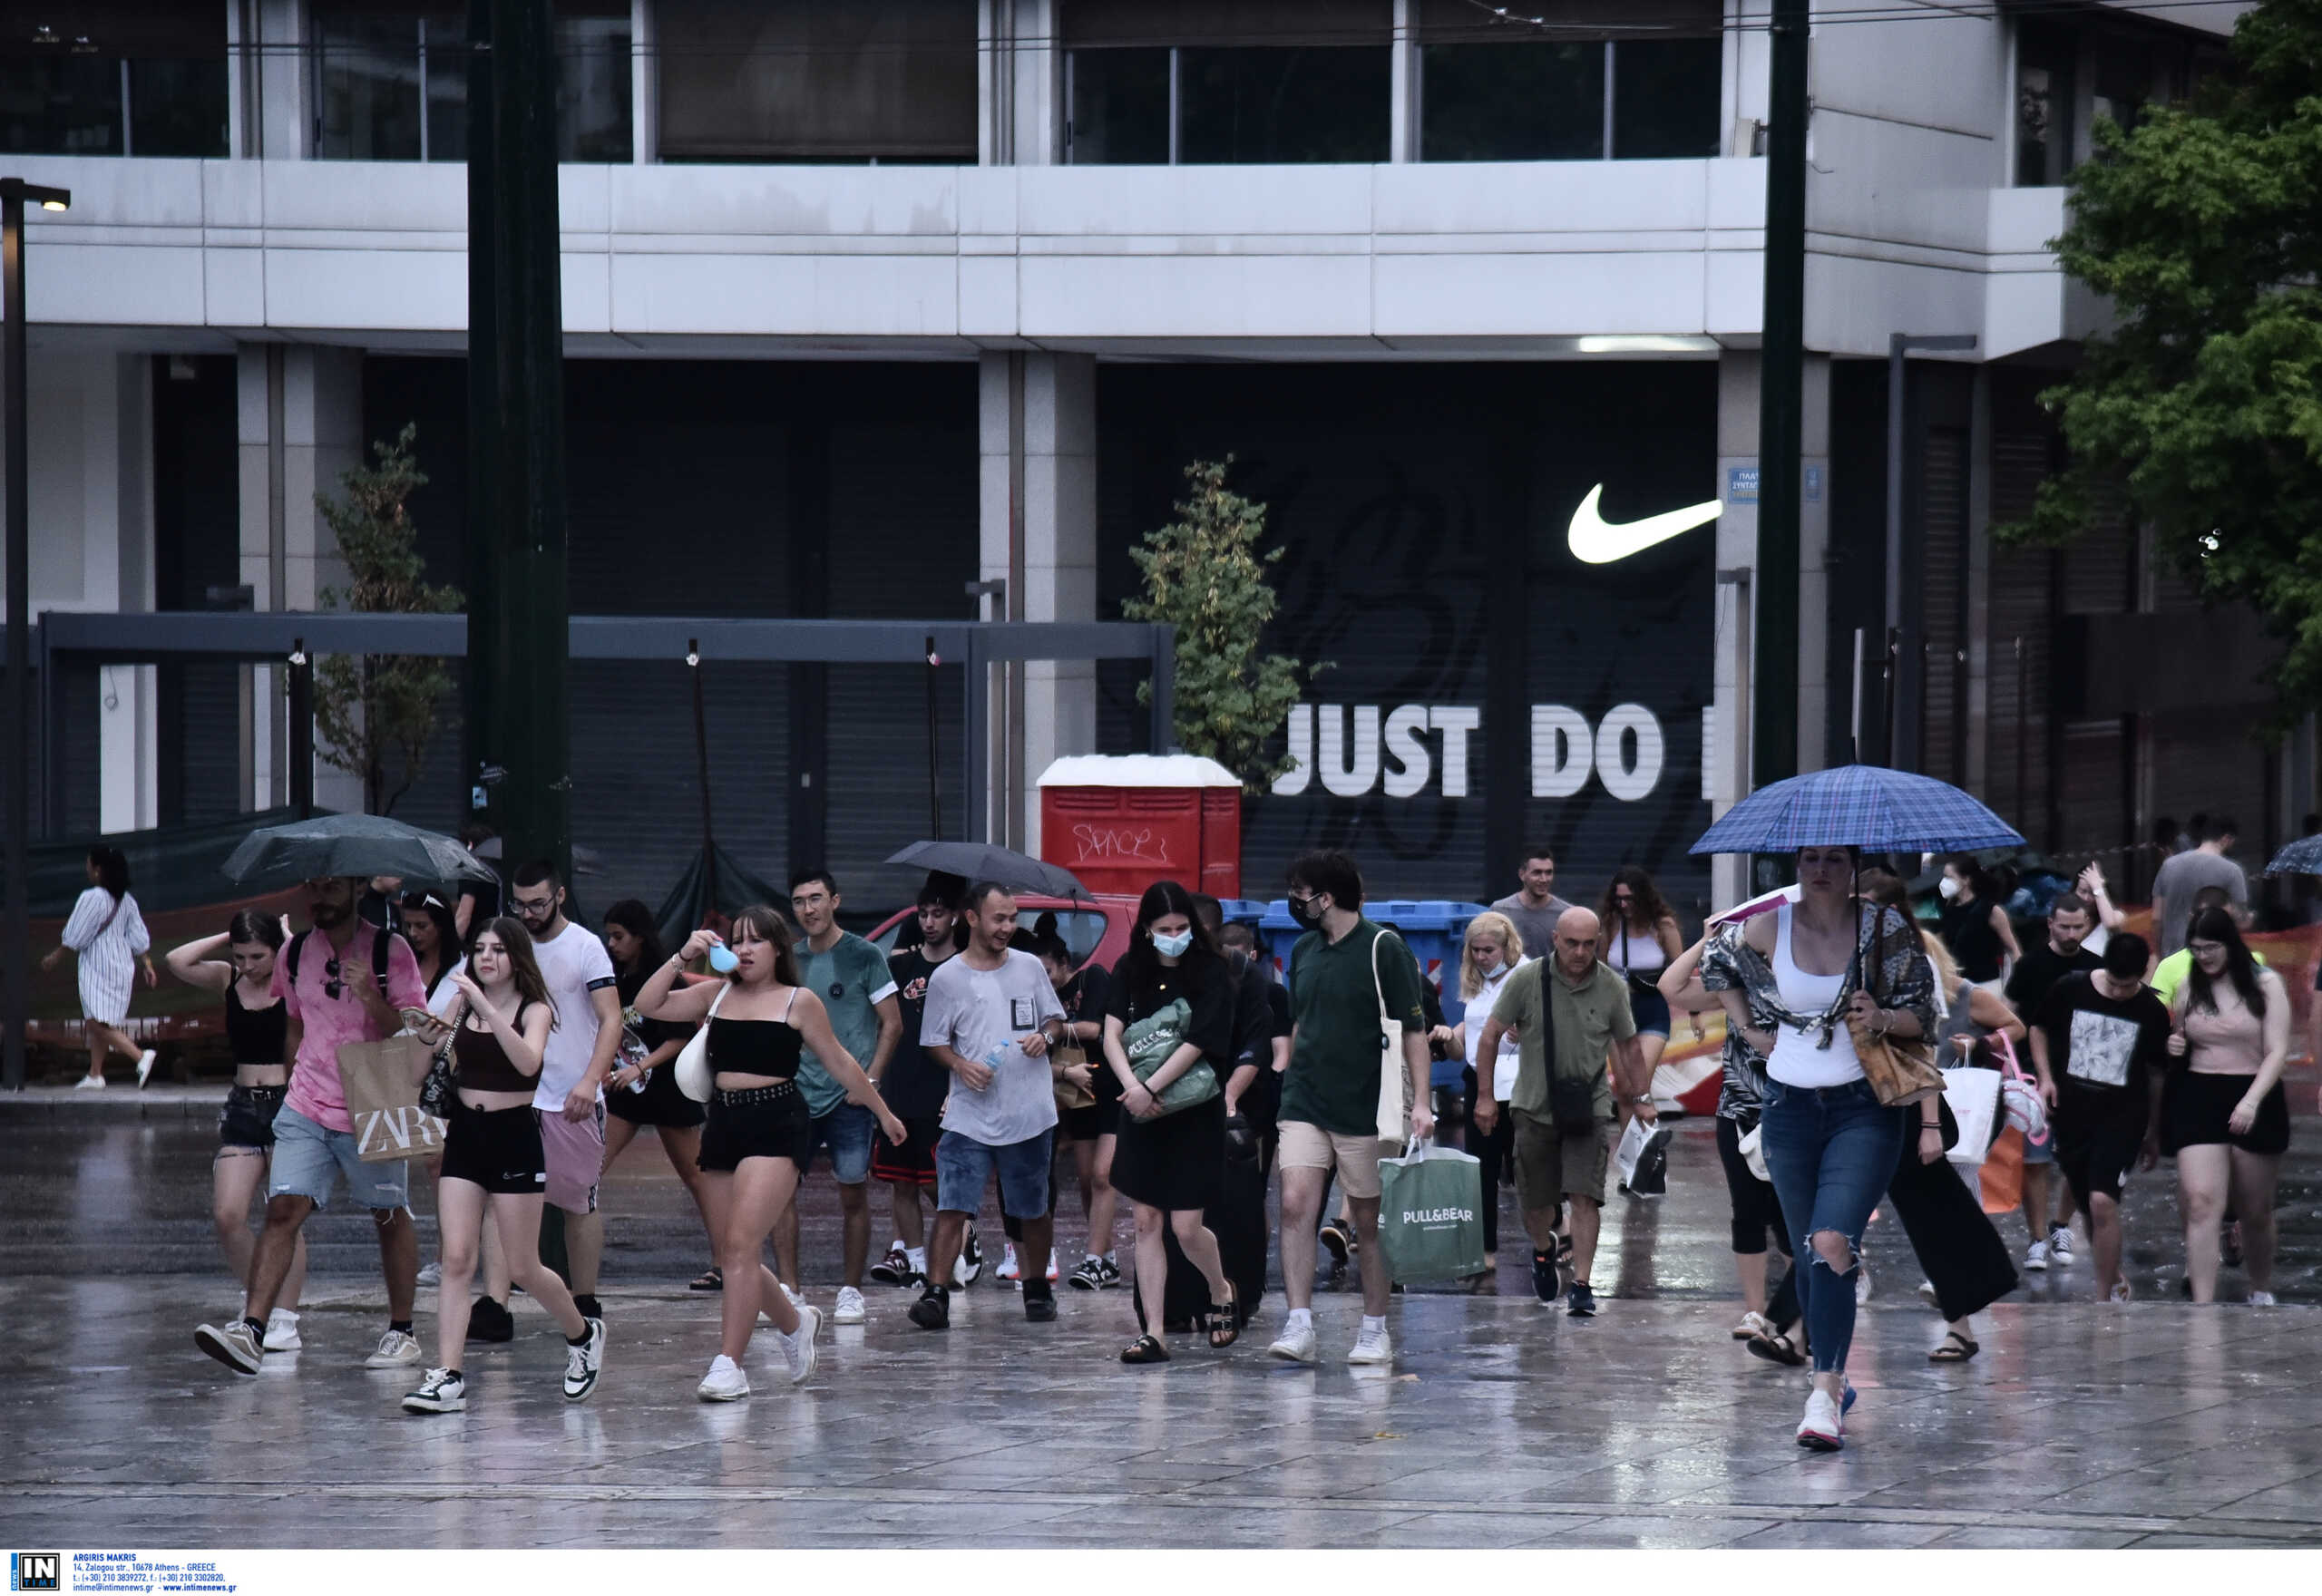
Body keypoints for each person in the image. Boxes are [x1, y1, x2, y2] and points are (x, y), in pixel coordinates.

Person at [1707, 846, 1932, 1452]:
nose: (1821, 870)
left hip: (1864, 1108)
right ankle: (1826, 1373)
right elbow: (1714, 963)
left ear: (1853, 867)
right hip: (1787, 1110)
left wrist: (1882, 1015)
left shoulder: (1884, 929)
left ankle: (1825, 1390)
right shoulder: (1769, 925)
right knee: (1809, 1253)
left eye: (1834, 859)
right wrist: (1752, 1028)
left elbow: (1924, 1016)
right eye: (1810, 858)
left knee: (1832, 1241)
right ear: (1795, 866)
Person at [636, 907, 903, 1400]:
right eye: (737, 941)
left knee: (741, 1246)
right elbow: (648, 1004)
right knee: (731, 1251)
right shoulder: (717, 993)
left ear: (778, 948)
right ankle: (794, 1322)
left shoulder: (798, 1001)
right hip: (723, 1121)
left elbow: (841, 1061)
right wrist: (682, 955)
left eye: (756, 941)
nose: (744, 949)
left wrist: (883, 1113)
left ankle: (728, 1364)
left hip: (778, 1120)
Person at [193, 874, 430, 1376]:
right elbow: (295, 1021)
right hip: (305, 1103)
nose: (318, 899)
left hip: (373, 1101)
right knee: (282, 1210)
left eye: (329, 888)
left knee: (389, 1216)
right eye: (312, 889)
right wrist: (292, 1079)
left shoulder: (391, 952)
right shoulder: (294, 952)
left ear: (354, 888)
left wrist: (371, 996)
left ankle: (402, 1331)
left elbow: (413, 1033)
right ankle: (252, 1330)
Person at [401, 919, 605, 1414]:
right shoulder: (462, 1002)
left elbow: (528, 1063)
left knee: (523, 1266)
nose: (486, 957)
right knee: (456, 1259)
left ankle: (582, 1334)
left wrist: (487, 1008)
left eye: (497, 950)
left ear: (517, 957)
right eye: (479, 949)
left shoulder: (536, 1009)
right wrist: (428, 1036)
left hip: (515, 1137)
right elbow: (414, 1074)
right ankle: (448, 1374)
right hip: (466, 1137)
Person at [1264, 851, 1432, 1367]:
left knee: (1366, 1218)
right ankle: (1298, 1323)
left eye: (1300, 892)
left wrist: (1421, 1103)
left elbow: (1414, 1031)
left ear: (1326, 897)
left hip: (1366, 1104)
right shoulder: (1303, 950)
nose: (1295, 902)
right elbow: (1302, 1021)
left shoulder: (1385, 948)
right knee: (1295, 1203)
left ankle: (1375, 1327)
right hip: (1305, 1098)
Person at [1862, 868, 2024, 1364]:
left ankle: (1963, 1321)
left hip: (1908, 1105)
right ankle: (1794, 1327)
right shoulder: (1854, 956)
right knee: (1834, 1219)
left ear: (1888, 912)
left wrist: (1930, 1123)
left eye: (1866, 907)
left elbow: (1923, 1046)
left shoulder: (1916, 960)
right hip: (1862, 1104)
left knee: (1937, 1219)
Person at [907, 883, 1068, 1331]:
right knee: (953, 1204)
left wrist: (1046, 1037)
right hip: (969, 1113)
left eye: (1012, 918)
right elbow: (933, 1042)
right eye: (999, 918)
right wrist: (961, 1065)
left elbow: (1055, 1019)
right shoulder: (947, 978)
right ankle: (936, 1293)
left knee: (1031, 1207)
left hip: (1029, 1110)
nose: (1008, 927)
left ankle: (1036, 1286)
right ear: (972, 918)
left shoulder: (1030, 966)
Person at [479, 861, 623, 1334]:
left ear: (559, 896)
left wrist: (591, 1079)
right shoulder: (504, 947)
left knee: (577, 1201)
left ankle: (585, 1299)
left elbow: (612, 1018)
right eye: (520, 904)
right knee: (500, 1199)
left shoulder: (585, 947)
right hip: (511, 1094)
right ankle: (494, 1304)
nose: (529, 912)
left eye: (538, 902)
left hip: (569, 1095)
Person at [1476, 907, 1641, 1318]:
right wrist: (1484, 1096)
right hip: (1533, 1108)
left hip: (1588, 1109)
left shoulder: (1611, 987)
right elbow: (1490, 1035)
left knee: (1586, 1198)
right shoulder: (1528, 980)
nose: (1581, 951)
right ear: (1555, 939)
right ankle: (1544, 1249)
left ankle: (1582, 1285)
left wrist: (1639, 1097)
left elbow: (1629, 1045)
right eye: (1572, 943)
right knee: (1537, 1206)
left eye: (1589, 943)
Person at [1103, 881, 1239, 1362]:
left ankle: (1221, 1289)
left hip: (1191, 1112)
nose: (1174, 935)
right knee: (1145, 1221)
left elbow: (1200, 1041)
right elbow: (1111, 1033)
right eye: (1165, 929)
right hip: (1141, 1109)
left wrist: (1150, 1087)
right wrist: (1132, 1090)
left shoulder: (1211, 972)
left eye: (1182, 927)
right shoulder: (1129, 969)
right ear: (1147, 929)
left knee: (1185, 1227)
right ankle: (1154, 1331)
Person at [164, 910, 307, 1352]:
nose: (248, 965)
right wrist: (227, 935)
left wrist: (288, 943)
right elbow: (177, 960)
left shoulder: (293, 978)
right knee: (228, 1215)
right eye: (240, 955)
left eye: (258, 956)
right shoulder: (229, 979)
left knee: (284, 1217)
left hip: (291, 1104)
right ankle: (257, 1308)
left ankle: (282, 1319)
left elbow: (314, 970)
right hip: (244, 1107)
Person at [1663, 928, 1801, 1355]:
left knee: (1788, 1215)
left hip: (1793, 1110)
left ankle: (1800, 1309)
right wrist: (1708, 940)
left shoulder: (1804, 984)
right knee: (1747, 1209)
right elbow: (1672, 987)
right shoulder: (1734, 985)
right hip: (1739, 1110)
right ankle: (1756, 1310)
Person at [779, 870, 902, 1327]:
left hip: (850, 1098)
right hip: (796, 1094)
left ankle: (851, 1291)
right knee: (779, 1194)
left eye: (816, 899)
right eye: (798, 902)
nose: (808, 909)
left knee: (853, 1192)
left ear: (835, 900)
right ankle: (789, 1290)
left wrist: (868, 1082)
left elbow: (892, 1024)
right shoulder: (787, 959)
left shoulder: (865, 954)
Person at [2028, 931, 2170, 1304]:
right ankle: (2113, 1275)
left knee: (2103, 1200)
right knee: (2088, 1201)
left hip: (2124, 1115)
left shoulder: (2151, 1010)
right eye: (2114, 983)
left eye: (2129, 986)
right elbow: (2038, 1028)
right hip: (2073, 1113)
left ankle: (2104, 1297)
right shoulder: (2070, 988)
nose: (2121, 992)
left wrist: (2154, 1131)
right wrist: (2045, 1078)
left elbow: (2156, 1073)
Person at [2162, 907, 2291, 1305]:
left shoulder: (2265, 984)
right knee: (2201, 1200)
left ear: (2230, 943)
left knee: (2254, 1208)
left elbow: (2278, 1050)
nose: (2204, 956)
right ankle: (2202, 1302)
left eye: (2211, 948)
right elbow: (2179, 1036)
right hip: (2200, 1092)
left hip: (2254, 1089)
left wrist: (2251, 1101)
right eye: (2197, 949)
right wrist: (2175, 1044)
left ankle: (2260, 1286)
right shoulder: (2188, 985)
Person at [599, 899, 718, 1292]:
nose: (612, 944)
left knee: (696, 1177)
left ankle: (724, 1263)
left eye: (619, 936)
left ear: (640, 938)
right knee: (589, 1168)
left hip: (668, 1086)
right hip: (625, 1089)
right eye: (609, 936)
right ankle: (560, 1259)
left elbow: (682, 1037)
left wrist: (641, 1065)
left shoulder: (664, 977)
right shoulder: (612, 979)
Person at [871, 881, 982, 1290]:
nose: (930, 922)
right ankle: (916, 1262)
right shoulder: (900, 967)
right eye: (923, 914)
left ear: (955, 916)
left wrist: (958, 1089)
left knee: (939, 1183)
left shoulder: (966, 969)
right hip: (901, 1082)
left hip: (944, 1086)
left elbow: (971, 1035)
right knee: (902, 1181)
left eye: (938, 913)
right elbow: (885, 1023)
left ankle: (965, 1236)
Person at [2001, 890, 2103, 1273]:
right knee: (2035, 1159)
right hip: (2032, 1071)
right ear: (2050, 924)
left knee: (2077, 1158)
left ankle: (2060, 1225)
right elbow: (2010, 1015)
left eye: (2078, 926)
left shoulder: (2097, 966)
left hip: (2083, 1074)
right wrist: (2004, 1059)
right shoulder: (2030, 965)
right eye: (2064, 926)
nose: (2071, 933)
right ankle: (2037, 1236)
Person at [1445, 911, 1525, 1278]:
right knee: (1482, 1172)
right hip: (1482, 1082)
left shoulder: (1528, 974)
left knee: (1530, 1170)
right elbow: (1476, 1025)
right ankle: (1486, 1250)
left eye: (1488, 950)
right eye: (1475, 950)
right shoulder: (1476, 980)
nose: (1481, 957)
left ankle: (1558, 1228)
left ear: (1506, 947)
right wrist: (1452, 1035)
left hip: (1521, 1086)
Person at [1041, 936, 1121, 1291]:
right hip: (1076, 1092)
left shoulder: (1094, 979)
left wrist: (1056, 1030)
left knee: (1104, 1176)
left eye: (1048, 972)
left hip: (1108, 1086)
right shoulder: (1042, 992)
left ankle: (1093, 1259)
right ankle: (1107, 1256)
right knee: (1088, 1179)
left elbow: (1097, 1027)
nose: (1046, 980)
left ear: (1063, 962)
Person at [42, 845, 157, 1088]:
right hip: (122, 964)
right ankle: (95, 1074)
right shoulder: (127, 901)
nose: (87, 868)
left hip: (98, 965)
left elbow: (75, 936)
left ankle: (141, 1056)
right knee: (103, 1021)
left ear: (98, 870)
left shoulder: (91, 897)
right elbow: (138, 937)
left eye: (89, 864)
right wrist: (147, 965)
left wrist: (55, 956)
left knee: (96, 1021)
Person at [1600, 866, 1685, 1134]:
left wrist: (1693, 1011)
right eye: (1619, 899)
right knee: (1624, 1089)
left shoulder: (1662, 926)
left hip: (1651, 1008)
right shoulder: (1611, 923)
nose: (1624, 905)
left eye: (1630, 899)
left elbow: (1681, 967)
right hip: (1618, 1010)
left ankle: (1643, 1155)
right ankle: (1630, 1158)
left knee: (1640, 1087)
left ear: (1644, 898)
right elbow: (1600, 967)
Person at [1215, 920, 1292, 1173]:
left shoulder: (1273, 994)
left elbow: (1282, 1051)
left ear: (1253, 955)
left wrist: (1272, 1089)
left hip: (1257, 1098)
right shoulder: (1210, 992)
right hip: (1216, 1090)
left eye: (1240, 957)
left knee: (1253, 1182)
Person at [2151, 815, 2248, 959]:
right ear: (2226, 839)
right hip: (2210, 958)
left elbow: (2157, 918)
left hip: (2171, 955)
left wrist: (2160, 955)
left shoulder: (2169, 865)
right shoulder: (2232, 871)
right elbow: (2240, 920)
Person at [1937, 856, 2020, 994]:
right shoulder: (1950, 908)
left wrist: (2016, 985)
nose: (1944, 882)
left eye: (1949, 877)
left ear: (1966, 880)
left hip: (1986, 986)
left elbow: (2013, 949)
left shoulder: (1990, 910)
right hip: (1955, 985)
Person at [1489, 845, 1572, 971]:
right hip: (1510, 985)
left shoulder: (1567, 914)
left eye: (1549, 873)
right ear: (1522, 875)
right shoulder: (1500, 910)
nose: (1544, 879)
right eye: (1537, 872)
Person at [397, 890, 461, 1002]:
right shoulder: (402, 966)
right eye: (408, 926)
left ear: (441, 925)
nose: (412, 933)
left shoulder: (464, 966)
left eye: (421, 926)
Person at [454, 822, 501, 941]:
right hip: (497, 935)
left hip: (476, 940)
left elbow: (464, 915)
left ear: (470, 845)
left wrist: (453, 947)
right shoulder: (496, 871)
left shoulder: (472, 872)